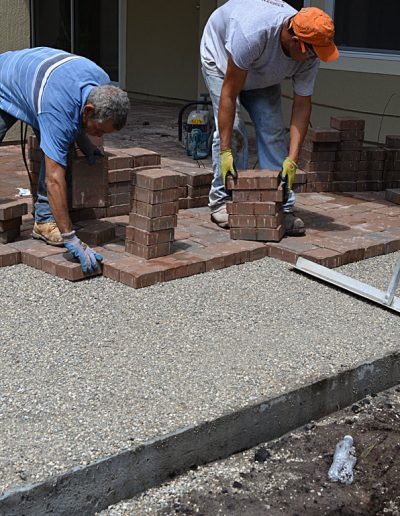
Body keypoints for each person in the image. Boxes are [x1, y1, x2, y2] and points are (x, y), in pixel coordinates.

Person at [200, 2, 339, 234]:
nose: (316, 58)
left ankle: (280, 206)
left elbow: (302, 105)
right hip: (223, 62)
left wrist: (292, 160)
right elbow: (229, 92)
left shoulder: (311, 53)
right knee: (233, 131)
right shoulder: (251, 33)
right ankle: (223, 201)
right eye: (314, 53)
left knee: (273, 132)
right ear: (296, 42)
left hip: (264, 70)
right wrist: (225, 151)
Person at [0, 47, 130, 271]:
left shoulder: (101, 81)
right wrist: (71, 237)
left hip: (40, 83)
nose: (99, 137)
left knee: (60, 139)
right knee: (57, 149)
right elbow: (54, 179)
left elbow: (75, 112)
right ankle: (45, 218)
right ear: (89, 111)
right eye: (99, 130)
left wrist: (85, 143)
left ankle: (43, 221)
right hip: (5, 78)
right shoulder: (56, 110)